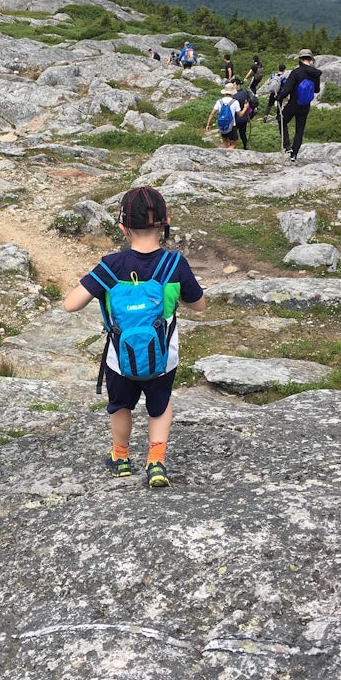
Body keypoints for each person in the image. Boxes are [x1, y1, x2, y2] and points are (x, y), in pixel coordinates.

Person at [63, 187, 205, 487]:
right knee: (160, 405)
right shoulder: (174, 265)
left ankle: (120, 458)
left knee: (120, 405)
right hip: (163, 358)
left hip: (120, 358)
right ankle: (156, 462)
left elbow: (71, 304)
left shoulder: (111, 267)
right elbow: (199, 305)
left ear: (122, 227)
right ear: (164, 224)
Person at [277, 49, 322, 163]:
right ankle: (294, 154)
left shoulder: (296, 72)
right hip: (305, 104)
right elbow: (316, 90)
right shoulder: (315, 74)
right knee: (300, 129)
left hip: (294, 103)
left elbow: (287, 89)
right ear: (310, 60)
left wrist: (279, 97)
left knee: (281, 120)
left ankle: (287, 146)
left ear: (300, 59)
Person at [231, 82, 254, 150]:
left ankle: (232, 147)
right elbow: (250, 101)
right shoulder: (245, 92)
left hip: (236, 118)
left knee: (233, 134)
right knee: (243, 133)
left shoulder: (234, 96)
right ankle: (245, 146)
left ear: (238, 85)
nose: (233, 86)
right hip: (244, 117)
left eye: (234, 84)